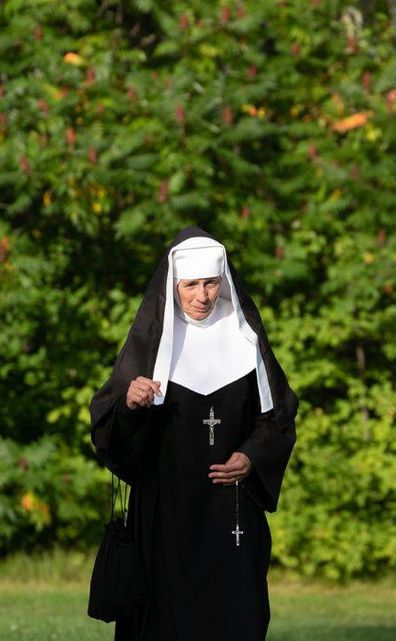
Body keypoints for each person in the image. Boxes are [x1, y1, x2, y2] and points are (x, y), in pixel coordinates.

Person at [89, 226, 299, 641]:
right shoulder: (152, 345)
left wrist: (252, 455)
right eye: (191, 285)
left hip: (231, 510)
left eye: (210, 283)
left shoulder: (245, 340)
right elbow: (108, 427)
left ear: (223, 281)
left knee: (237, 614)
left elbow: (278, 416)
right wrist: (130, 403)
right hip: (165, 509)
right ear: (174, 284)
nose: (202, 295)